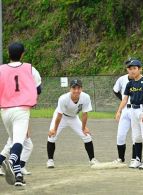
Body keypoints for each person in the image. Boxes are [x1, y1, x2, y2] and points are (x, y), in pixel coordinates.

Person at [0, 42, 39, 186]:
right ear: (22, 54)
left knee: (13, 140)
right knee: (18, 142)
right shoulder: (30, 69)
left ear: (8, 54)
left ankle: (18, 176)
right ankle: (10, 162)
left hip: (5, 111)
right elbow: (38, 88)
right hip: (22, 110)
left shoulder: (1, 69)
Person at [112, 58, 143, 167]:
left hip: (142, 110)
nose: (132, 71)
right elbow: (124, 99)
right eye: (130, 68)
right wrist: (119, 111)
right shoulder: (130, 83)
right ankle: (137, 159)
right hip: (132, 110)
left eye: (135, 68)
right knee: (136, 136)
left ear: (140, 69)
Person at [46, 79, 99, 168]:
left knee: (87, 136)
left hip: (74, 118)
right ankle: (50, 160)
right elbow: (59, 115)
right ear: (70, 89)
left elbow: (85, 114)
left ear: (81, 89)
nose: (76, 90)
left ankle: (92, 159)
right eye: (74, 88)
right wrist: (54, 129)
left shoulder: (85, 97)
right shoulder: (63, 98)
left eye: (78, 88)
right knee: (52, 136)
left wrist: (84, 127)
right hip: (62, 117)